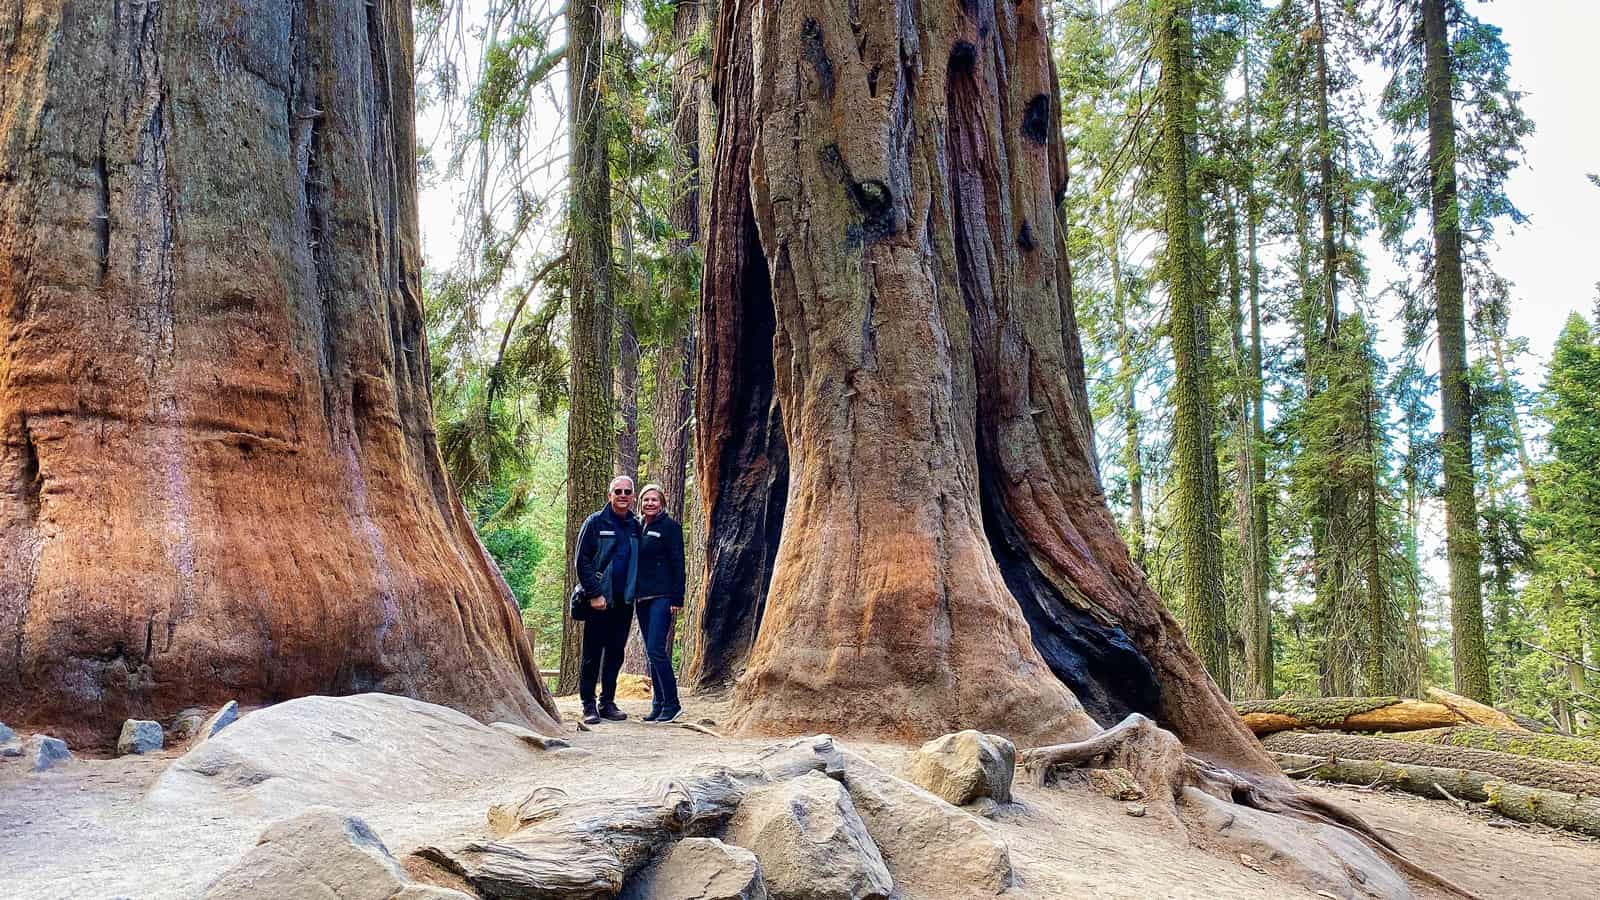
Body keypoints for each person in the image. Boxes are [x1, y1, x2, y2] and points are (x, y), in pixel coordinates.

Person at [573, 474, 642, 725]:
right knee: (592, 654)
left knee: (615, 653)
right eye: (618, 491)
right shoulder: (595, 522)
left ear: (633, 496)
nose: (623, 496)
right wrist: (594, 593)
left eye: (627, 492)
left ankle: (608, 702)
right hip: (599, 601)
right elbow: (582, 562)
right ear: (609, 495)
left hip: (624, 601)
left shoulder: (636, 525)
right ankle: (588, 705)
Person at [633, 484, 686, 723]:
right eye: (646, 500)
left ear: (662, 503)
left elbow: (678, 563)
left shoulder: (670, 527)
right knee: (651, 652)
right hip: (641, 597)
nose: (650, 503)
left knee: (656, 649)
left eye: (654, 500)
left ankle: (672, 703)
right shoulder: (638, 526)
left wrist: (677, 597)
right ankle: (658, 703)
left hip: (662, 597)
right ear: (641, 503)